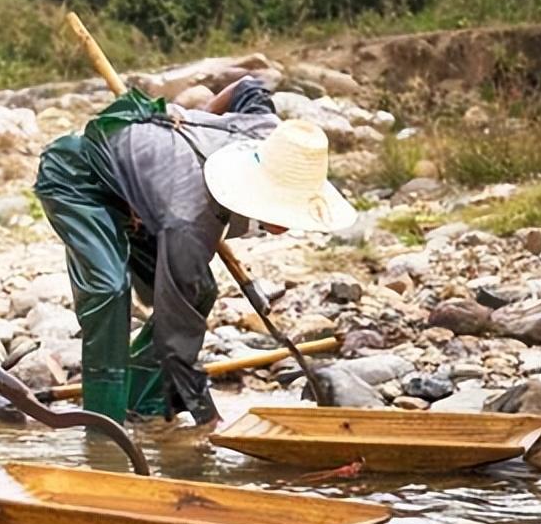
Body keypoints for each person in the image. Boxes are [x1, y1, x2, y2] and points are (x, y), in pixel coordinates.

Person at [33, 76, 357, 427]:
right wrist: (209, 419)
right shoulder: (192, 218)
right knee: (110, 293)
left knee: (200, 290)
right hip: (78, 179)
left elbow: (248, 86)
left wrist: (199, 118)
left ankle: (143, 405)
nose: (287, 224)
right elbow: (176, 336)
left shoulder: (272, 136)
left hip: (145, 199)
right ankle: (104, 431)